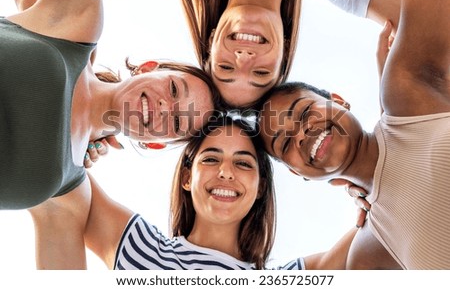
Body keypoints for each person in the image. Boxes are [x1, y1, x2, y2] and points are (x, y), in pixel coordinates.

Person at [1, 0, 218, 268]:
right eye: (172, 89)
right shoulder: (77, 26)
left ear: (153, 144)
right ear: (147, 67)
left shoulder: (69, 196)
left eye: (178, 122)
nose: (164, 107)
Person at [258, 0, 450, 269]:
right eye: (285, 143)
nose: (300, 134)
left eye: (304, 112)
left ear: (339, 101)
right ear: (300, 174)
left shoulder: (404, 96)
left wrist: (399, 73)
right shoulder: (368, 253)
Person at [18, 0, 401, 108]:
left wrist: (86, 92)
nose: (245, 57)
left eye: (225, 66)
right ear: (284, 55)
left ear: (212, 37)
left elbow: (36, 0)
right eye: (261, 74)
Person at [81, 115, 358, 269]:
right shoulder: (140, 249)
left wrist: (366, 189)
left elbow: (384, 221)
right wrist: (88, 137)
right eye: (211, 159)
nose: (226, 172)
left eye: (242, 163)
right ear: (187, 178)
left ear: (261, 186)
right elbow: (60, 172)